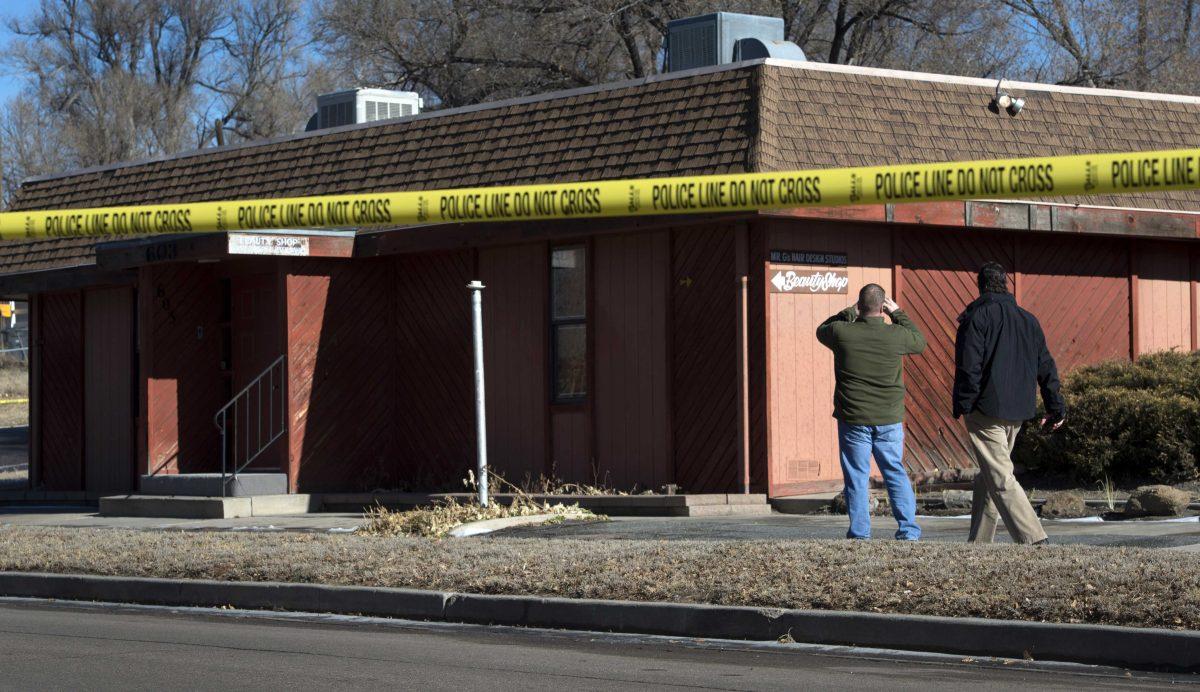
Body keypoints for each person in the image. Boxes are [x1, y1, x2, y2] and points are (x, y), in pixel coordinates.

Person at [953, 261, 1065, 545]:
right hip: (1019, 411)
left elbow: (969, 367)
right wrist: (1056, 407)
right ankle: (979, 543)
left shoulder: (976, 318)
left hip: (985, 409)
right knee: (990, 475)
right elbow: (1046, 366)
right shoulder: (1029, 320)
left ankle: (1034, 538)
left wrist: (965, 403)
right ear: (1005, 284)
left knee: (1000, 477)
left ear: (980, 285)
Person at [817, 284, 927, 540]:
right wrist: (898, 312)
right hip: (889, 418)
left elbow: (821, 329)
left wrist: (848, 312)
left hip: (854, 418)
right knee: (894, 472)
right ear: (882, 307)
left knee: (857, 475)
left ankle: (860, 533)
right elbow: (920, 342)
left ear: (859, 305)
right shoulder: (897, 335)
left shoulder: (842, 332)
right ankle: (909, 531)